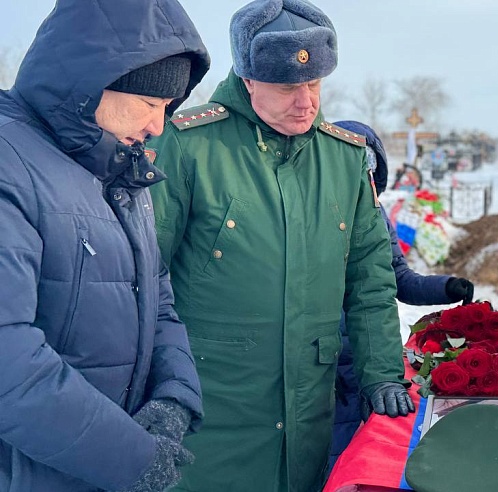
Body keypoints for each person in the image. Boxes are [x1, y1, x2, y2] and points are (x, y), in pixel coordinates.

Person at [147, 1, 414, 491]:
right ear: (248, 81)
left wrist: (381, 373)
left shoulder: (344, 158)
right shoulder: (188, 145)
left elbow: (370, 280)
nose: (306, 102)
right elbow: (144, 278)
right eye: (289, 88)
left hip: (308, 408)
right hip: (213, 406)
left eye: (314, 85)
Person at [0, 0, 210, 491]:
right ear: (94, 82)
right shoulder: (10, 165)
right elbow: (7, 356)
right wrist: (133, 459)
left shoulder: (118, 170)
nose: (159, 125)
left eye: (168, 109)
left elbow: (158, 302)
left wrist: (174, 397)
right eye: (151, 104)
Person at [328, 120, 475, 469]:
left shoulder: (376, 217)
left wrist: (445, 287)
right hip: (322, 363)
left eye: (367, 175)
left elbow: (400, 279)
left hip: (368, 355)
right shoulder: (306, 217)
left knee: (358, 450)